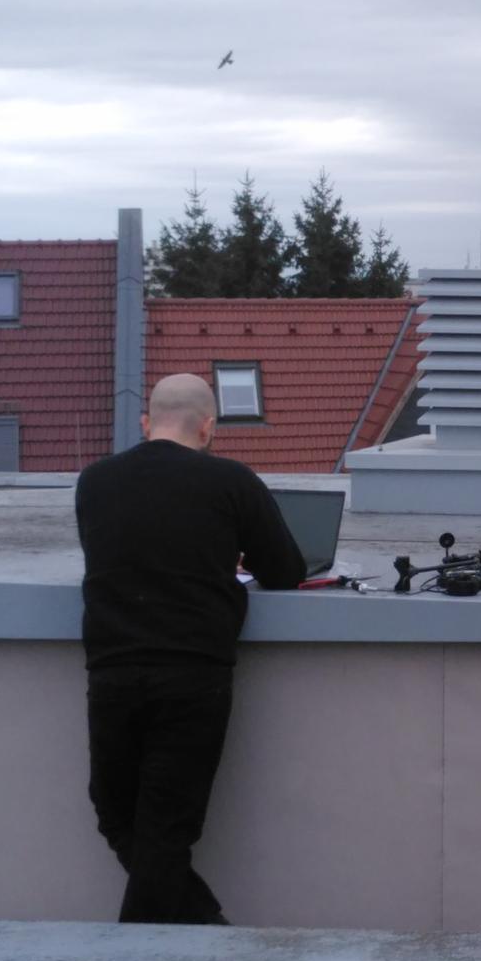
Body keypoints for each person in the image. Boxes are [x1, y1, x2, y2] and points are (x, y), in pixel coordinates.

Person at [73, 371, 311, 924]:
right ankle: (205, 944)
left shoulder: (95, 482)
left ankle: (191, 945)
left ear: (145, 423)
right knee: (167, 829)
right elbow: (286, 571)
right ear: (208, 428)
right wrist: (227, 558)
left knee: (118, 817)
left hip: (112, 670)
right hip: (194, 673)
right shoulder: (230, 481)